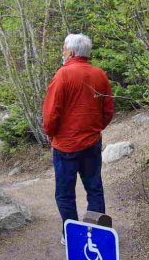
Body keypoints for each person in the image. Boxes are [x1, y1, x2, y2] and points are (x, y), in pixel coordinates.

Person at [42, 34, 114, 243]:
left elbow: (51, 113)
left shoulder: (63, 75)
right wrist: (96, 127)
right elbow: (108, 110)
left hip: (66, 146)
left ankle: (72, 236)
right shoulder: (100, 75)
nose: (62, 53)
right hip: (91, 142)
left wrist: (50, 133)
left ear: (71, 52)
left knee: (65, 193)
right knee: (94, 187)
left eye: (64, 49)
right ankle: (97, 233)